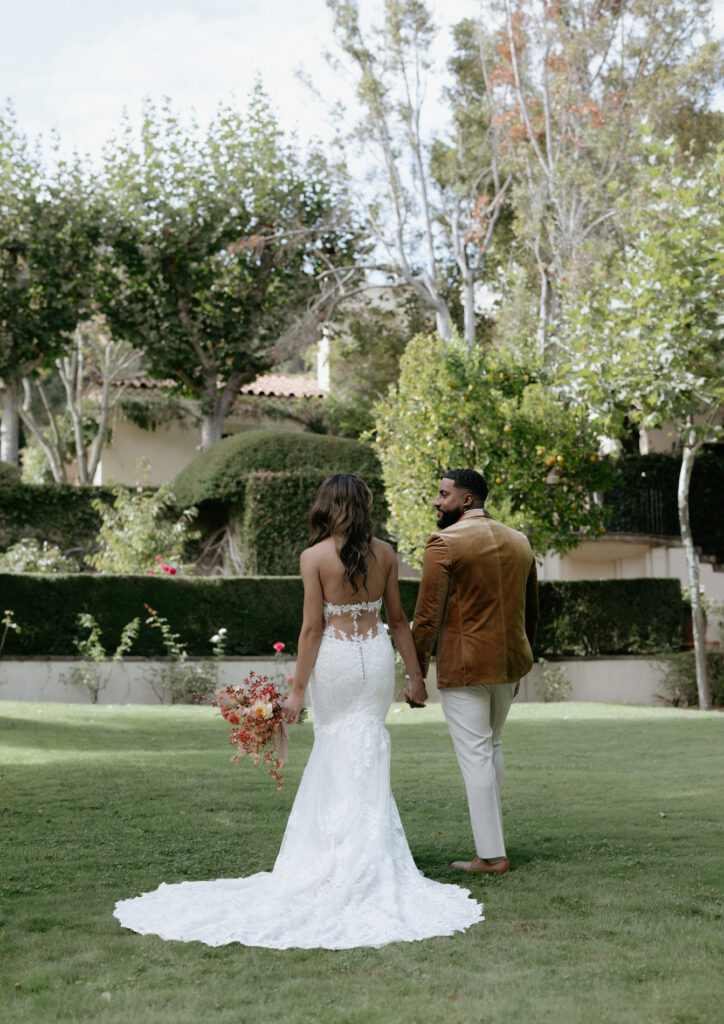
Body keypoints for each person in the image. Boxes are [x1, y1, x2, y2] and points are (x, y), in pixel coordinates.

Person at [114, 473, 482, 949]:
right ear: (363, 506)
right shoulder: (387, 553)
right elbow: (396, 621)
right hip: (373, 659)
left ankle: (334, 857)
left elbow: (311, 630)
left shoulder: (314, 558)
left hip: (336, 662)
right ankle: (364, 857)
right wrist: (415, 677)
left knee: (334, 748)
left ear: (328, 507)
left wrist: (296, 693)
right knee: (367, 745)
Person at [405, 469, 538, 876]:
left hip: (465, 667)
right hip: (508, 664)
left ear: (466, 501)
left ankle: (492, 857)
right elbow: (529, 610)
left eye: (443, 495)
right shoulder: (520, 541)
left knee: (477, 756)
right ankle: (492, 845)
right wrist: (521, 662)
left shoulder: (444, 543)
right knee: (492, 747)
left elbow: (427, 617)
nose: (436, 501)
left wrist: (416, 674)